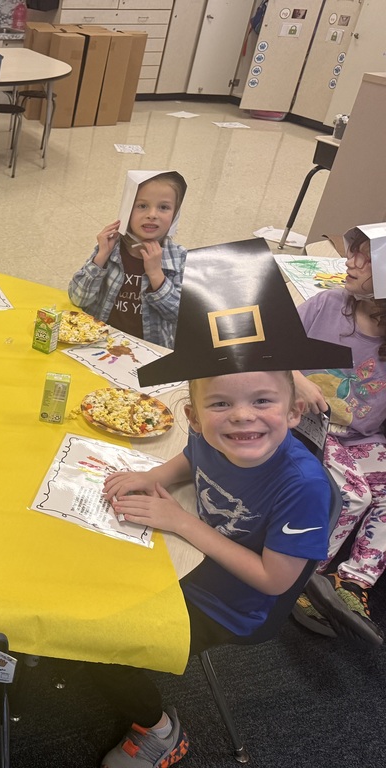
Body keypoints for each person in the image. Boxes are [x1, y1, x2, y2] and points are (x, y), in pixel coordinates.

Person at [86, 239, 351, 768]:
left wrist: (180, 520)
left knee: (103, 645)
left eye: (263, 401)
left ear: (294, 411)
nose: (241, 418)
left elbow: (275, 581)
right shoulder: (211, 436)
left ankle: (159, 731)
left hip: (231, 604)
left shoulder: (303, 486)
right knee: (90, 570)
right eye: (221, 404)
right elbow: (191, 460)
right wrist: (151, 475)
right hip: (192, 559)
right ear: (193, 414)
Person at [291, 224, 386, 644]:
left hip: (364, 438)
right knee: (355, 494)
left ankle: (354, 582)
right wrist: (296, 380)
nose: (351, 261)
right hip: (314, 425)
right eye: (354, 253)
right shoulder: (329, 306)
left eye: (366, 259)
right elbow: (270, 348)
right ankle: (307, 574)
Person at [68, 170, 188, 348]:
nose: (152, 214)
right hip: (100, 344)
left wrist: (156, 275)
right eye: (142, 206)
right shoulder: (112, 249)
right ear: (126, 211)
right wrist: (101, 257)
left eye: (163, 207)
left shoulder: (179, 258)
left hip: (148, 351)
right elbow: (78, 298)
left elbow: (181, 318)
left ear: (175, 214)